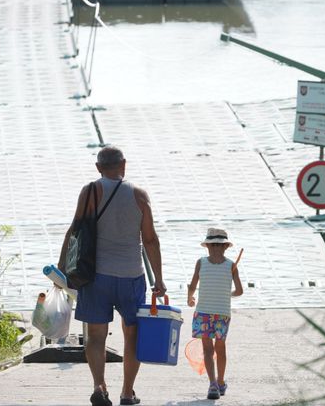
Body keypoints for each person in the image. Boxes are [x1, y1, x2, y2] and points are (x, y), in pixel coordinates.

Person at [58, 146, 166, 406]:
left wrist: (62, 266)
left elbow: (76, 229)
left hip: (96, 276)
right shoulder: (140, 196)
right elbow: (150, 240)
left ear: (98, 168)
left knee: (95, 337)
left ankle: (99, 386)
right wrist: (159, 279)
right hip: (132, 276)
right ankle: (127, 393)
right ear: (124, 165)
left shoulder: (90, 191)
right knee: (133, 335)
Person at [187, 227, 243, 400]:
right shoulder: (231, 265)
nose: (216, 248)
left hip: (203, 312)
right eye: (215, 245)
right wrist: (229, 293)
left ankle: (213, 384)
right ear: (226, 247)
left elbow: (193, 285)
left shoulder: (201, 262)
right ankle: (219, 382)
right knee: (220, 348)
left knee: (208, 350)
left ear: (207, 247)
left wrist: (190, 298)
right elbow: (240, 291)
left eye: (216, 245)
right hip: (222, 313)